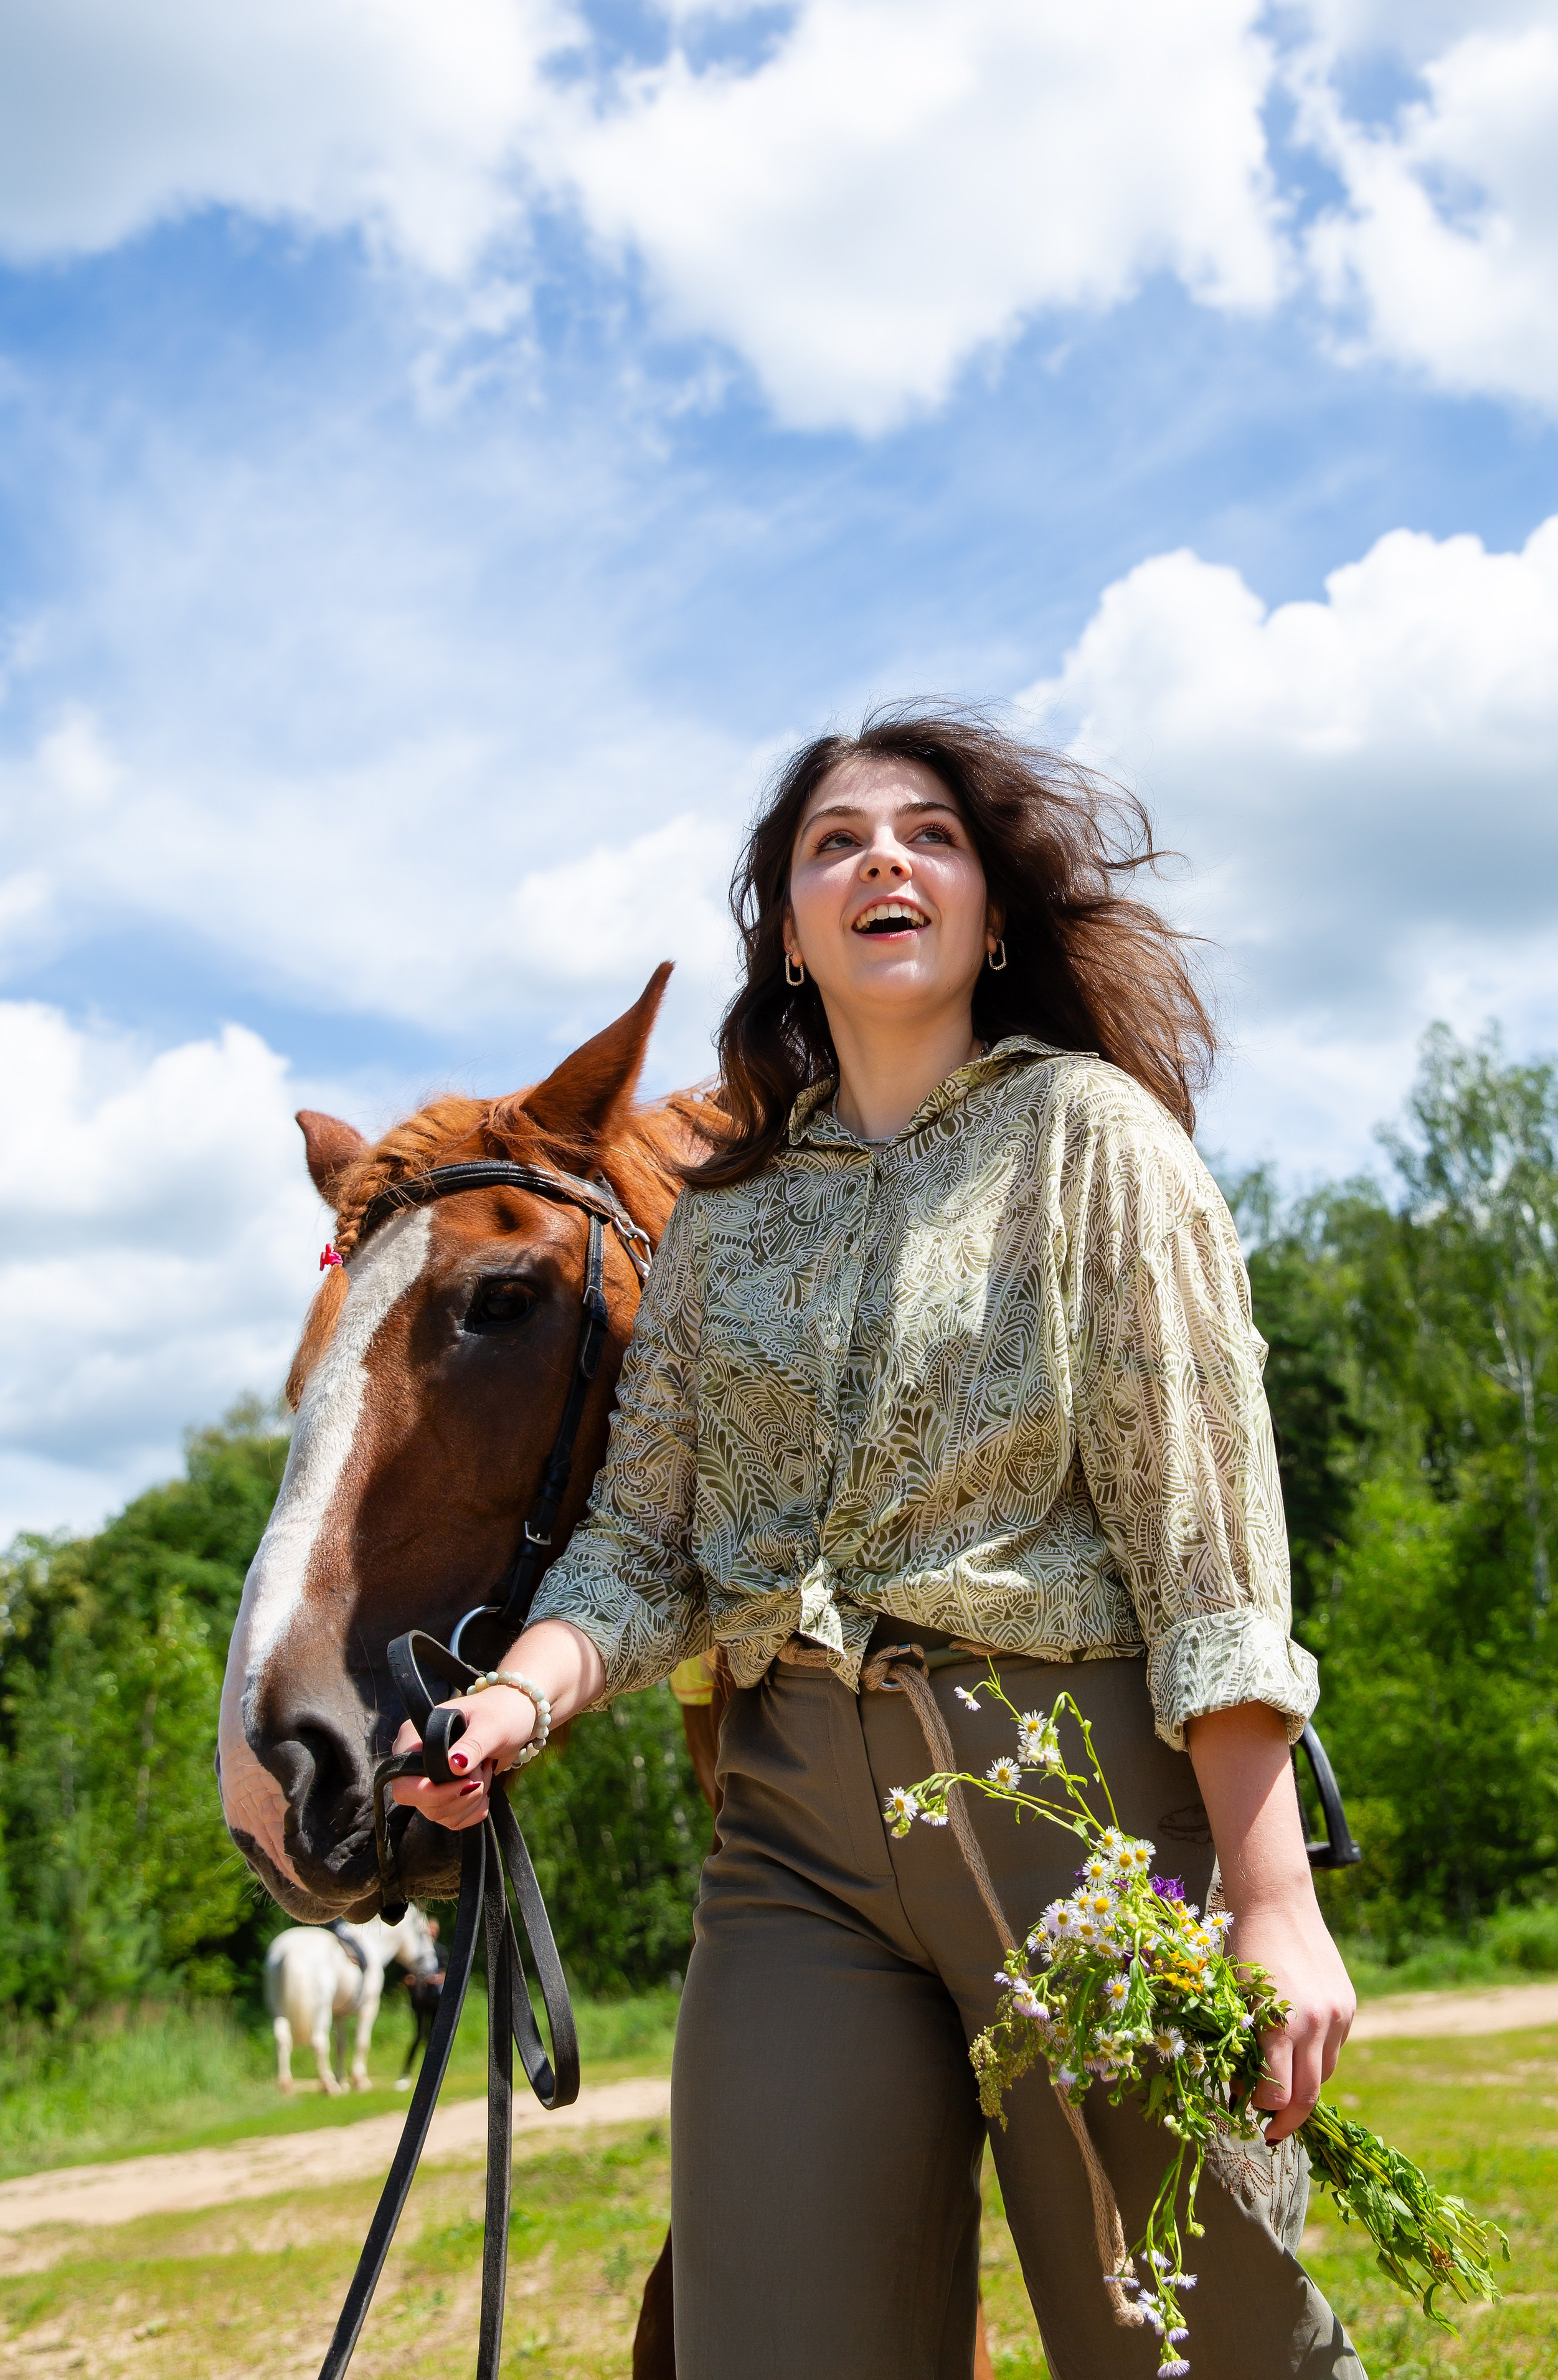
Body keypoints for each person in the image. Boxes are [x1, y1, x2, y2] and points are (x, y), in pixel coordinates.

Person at [391, 708, 1362, 2379]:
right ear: (787, 928)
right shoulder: (728, 1222)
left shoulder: (1095, 1141)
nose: (881, 860)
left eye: (928, 834)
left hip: (1081, 1820)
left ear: (991, 910)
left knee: (1199, 2349)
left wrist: (1270, 1894)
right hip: (794, 1852)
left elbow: (1206, 1533)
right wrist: (520, 1699)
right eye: (834, 842)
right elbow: (644, 1540)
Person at [396, 1916, 446, 2085]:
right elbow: (405, 1977)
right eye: (429, 1929)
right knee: (419, 2035)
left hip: (436, 1999)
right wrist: (413, 1980)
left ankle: (433, 2073)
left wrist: (439, 1978)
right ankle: (406, 2072)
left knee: (434, 2037)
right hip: (419, 1998)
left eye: (434, 1929)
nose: (432, 1932)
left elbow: (448, 1973)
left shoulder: (440, 1951)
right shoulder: (416, 1953)